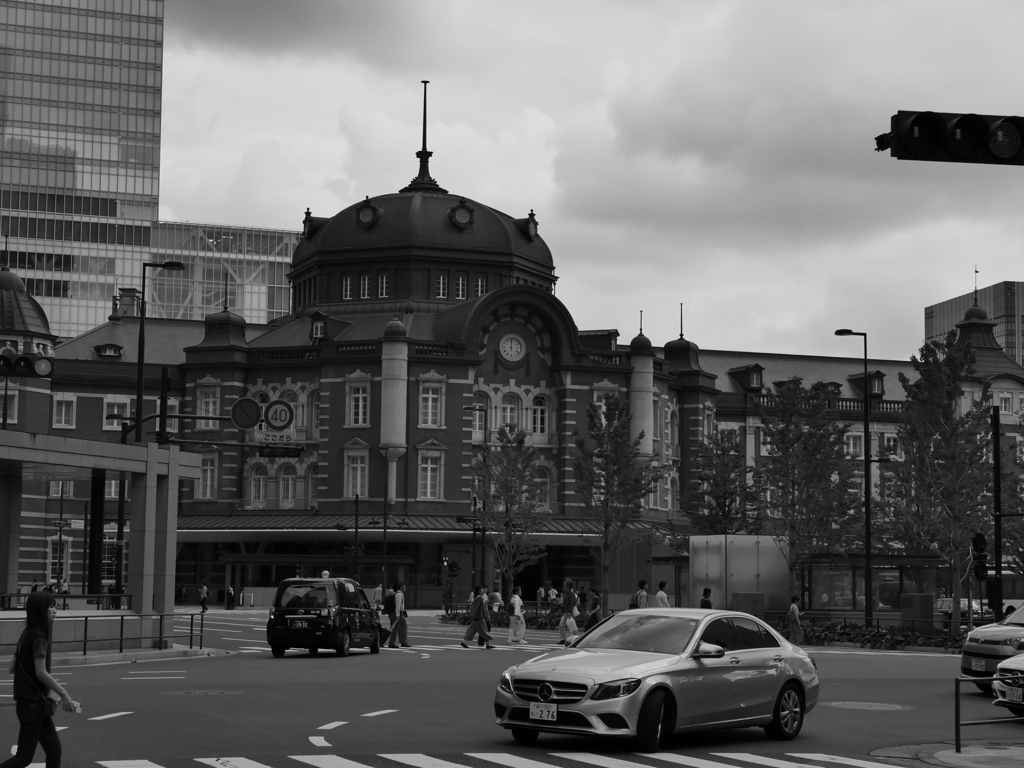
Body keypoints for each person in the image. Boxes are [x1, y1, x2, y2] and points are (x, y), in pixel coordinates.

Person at [2, 591, 81, 768]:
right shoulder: (39, 638)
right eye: (51, 607)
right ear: (41, 611)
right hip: (33, 705)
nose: (56, 611)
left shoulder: (26, 634)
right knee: (24, 757)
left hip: (32, 704)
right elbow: (41, 672)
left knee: (54, 751)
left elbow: (12, 668)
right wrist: (64, 694)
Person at [388, 582, 410, 648]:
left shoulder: (396, 594)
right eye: (404, 587)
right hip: (398, 613)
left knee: (394, 628)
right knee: (404, 625)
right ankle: (403, 642)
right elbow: (398, 605)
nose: (405, 588)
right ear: (401, 587)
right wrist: (398, 614)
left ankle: (391, 642)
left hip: (393, 613)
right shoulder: (400, 594)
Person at [558, 578, 578, 645]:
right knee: (561, 625)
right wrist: (562, 610)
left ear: (568, 585)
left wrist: (569, 611)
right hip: (566, 612)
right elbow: (565, 603)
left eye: (565, 583)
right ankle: (563, 639)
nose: (563, 584)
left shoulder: (571, 594)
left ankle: (576, 638)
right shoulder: (566, 593)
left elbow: (572, 604)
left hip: (569, 612)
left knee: (572, 626)